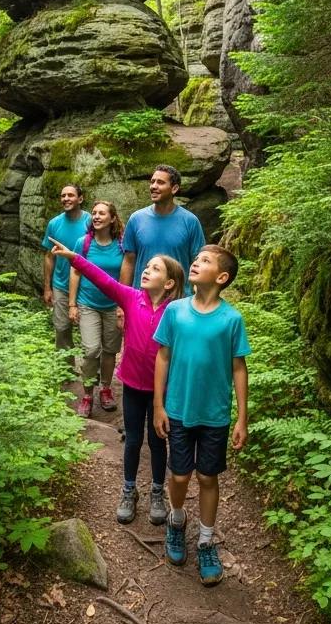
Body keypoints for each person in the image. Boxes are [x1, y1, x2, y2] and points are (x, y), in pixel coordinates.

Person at [50, 237, 185, 526]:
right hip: (133, 387)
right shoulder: (130, 297)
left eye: (155, 269)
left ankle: (158, 492)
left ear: (170, 283)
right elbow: (101, 279)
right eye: (146, 266)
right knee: (134, 440)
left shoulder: (177, 312)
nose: (146, 270)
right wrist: (74, 257)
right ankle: (129, 490)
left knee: (159, 441)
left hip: (163, 391)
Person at [153, 244, 249, 586]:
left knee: (208, 478)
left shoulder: (231, 319)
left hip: (215, 415)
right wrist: (159, 405)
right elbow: (162, 357)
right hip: (178, 409)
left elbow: (239, 368)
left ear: (221, 277)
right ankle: (177, 521)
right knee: (179, 476)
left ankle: (206, 541)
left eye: (204, 261)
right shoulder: (175, 311)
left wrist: (242, 418)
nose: (195, 263)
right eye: (196, 259)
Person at [68, 200, 125, 417]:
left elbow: (126, 272)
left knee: (110, 351)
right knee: (91, 350)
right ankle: (87, 394)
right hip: (88, 303)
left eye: (102, 213)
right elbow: (75, 272)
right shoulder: (83, 243)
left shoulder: (121, 245)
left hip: (113, 305)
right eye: (94, 213)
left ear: (112, 218)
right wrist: (72, 304)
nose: (96, 216)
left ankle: (106, 389)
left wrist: (123, 305)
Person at [120, 165, 205, 292]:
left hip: (178, 299)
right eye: (152, 182)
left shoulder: (190, 221)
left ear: (174, 188)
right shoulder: (136, 219)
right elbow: (128, 261)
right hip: (143, 298)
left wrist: (199, 298)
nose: (153, 186)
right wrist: (123, 300)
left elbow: (198, 263)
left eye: (160, 182)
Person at [40, 184, 90, 362]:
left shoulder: (90, 222)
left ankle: (91, 373)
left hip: (85, 285)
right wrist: (47, 287)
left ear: (80, 199)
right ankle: (66, 372)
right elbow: (48, 256)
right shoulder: (54, 223)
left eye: (70, 195)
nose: (66, 199)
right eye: (63, 196)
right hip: (61, 284)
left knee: (88, 331)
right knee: (61, 329)